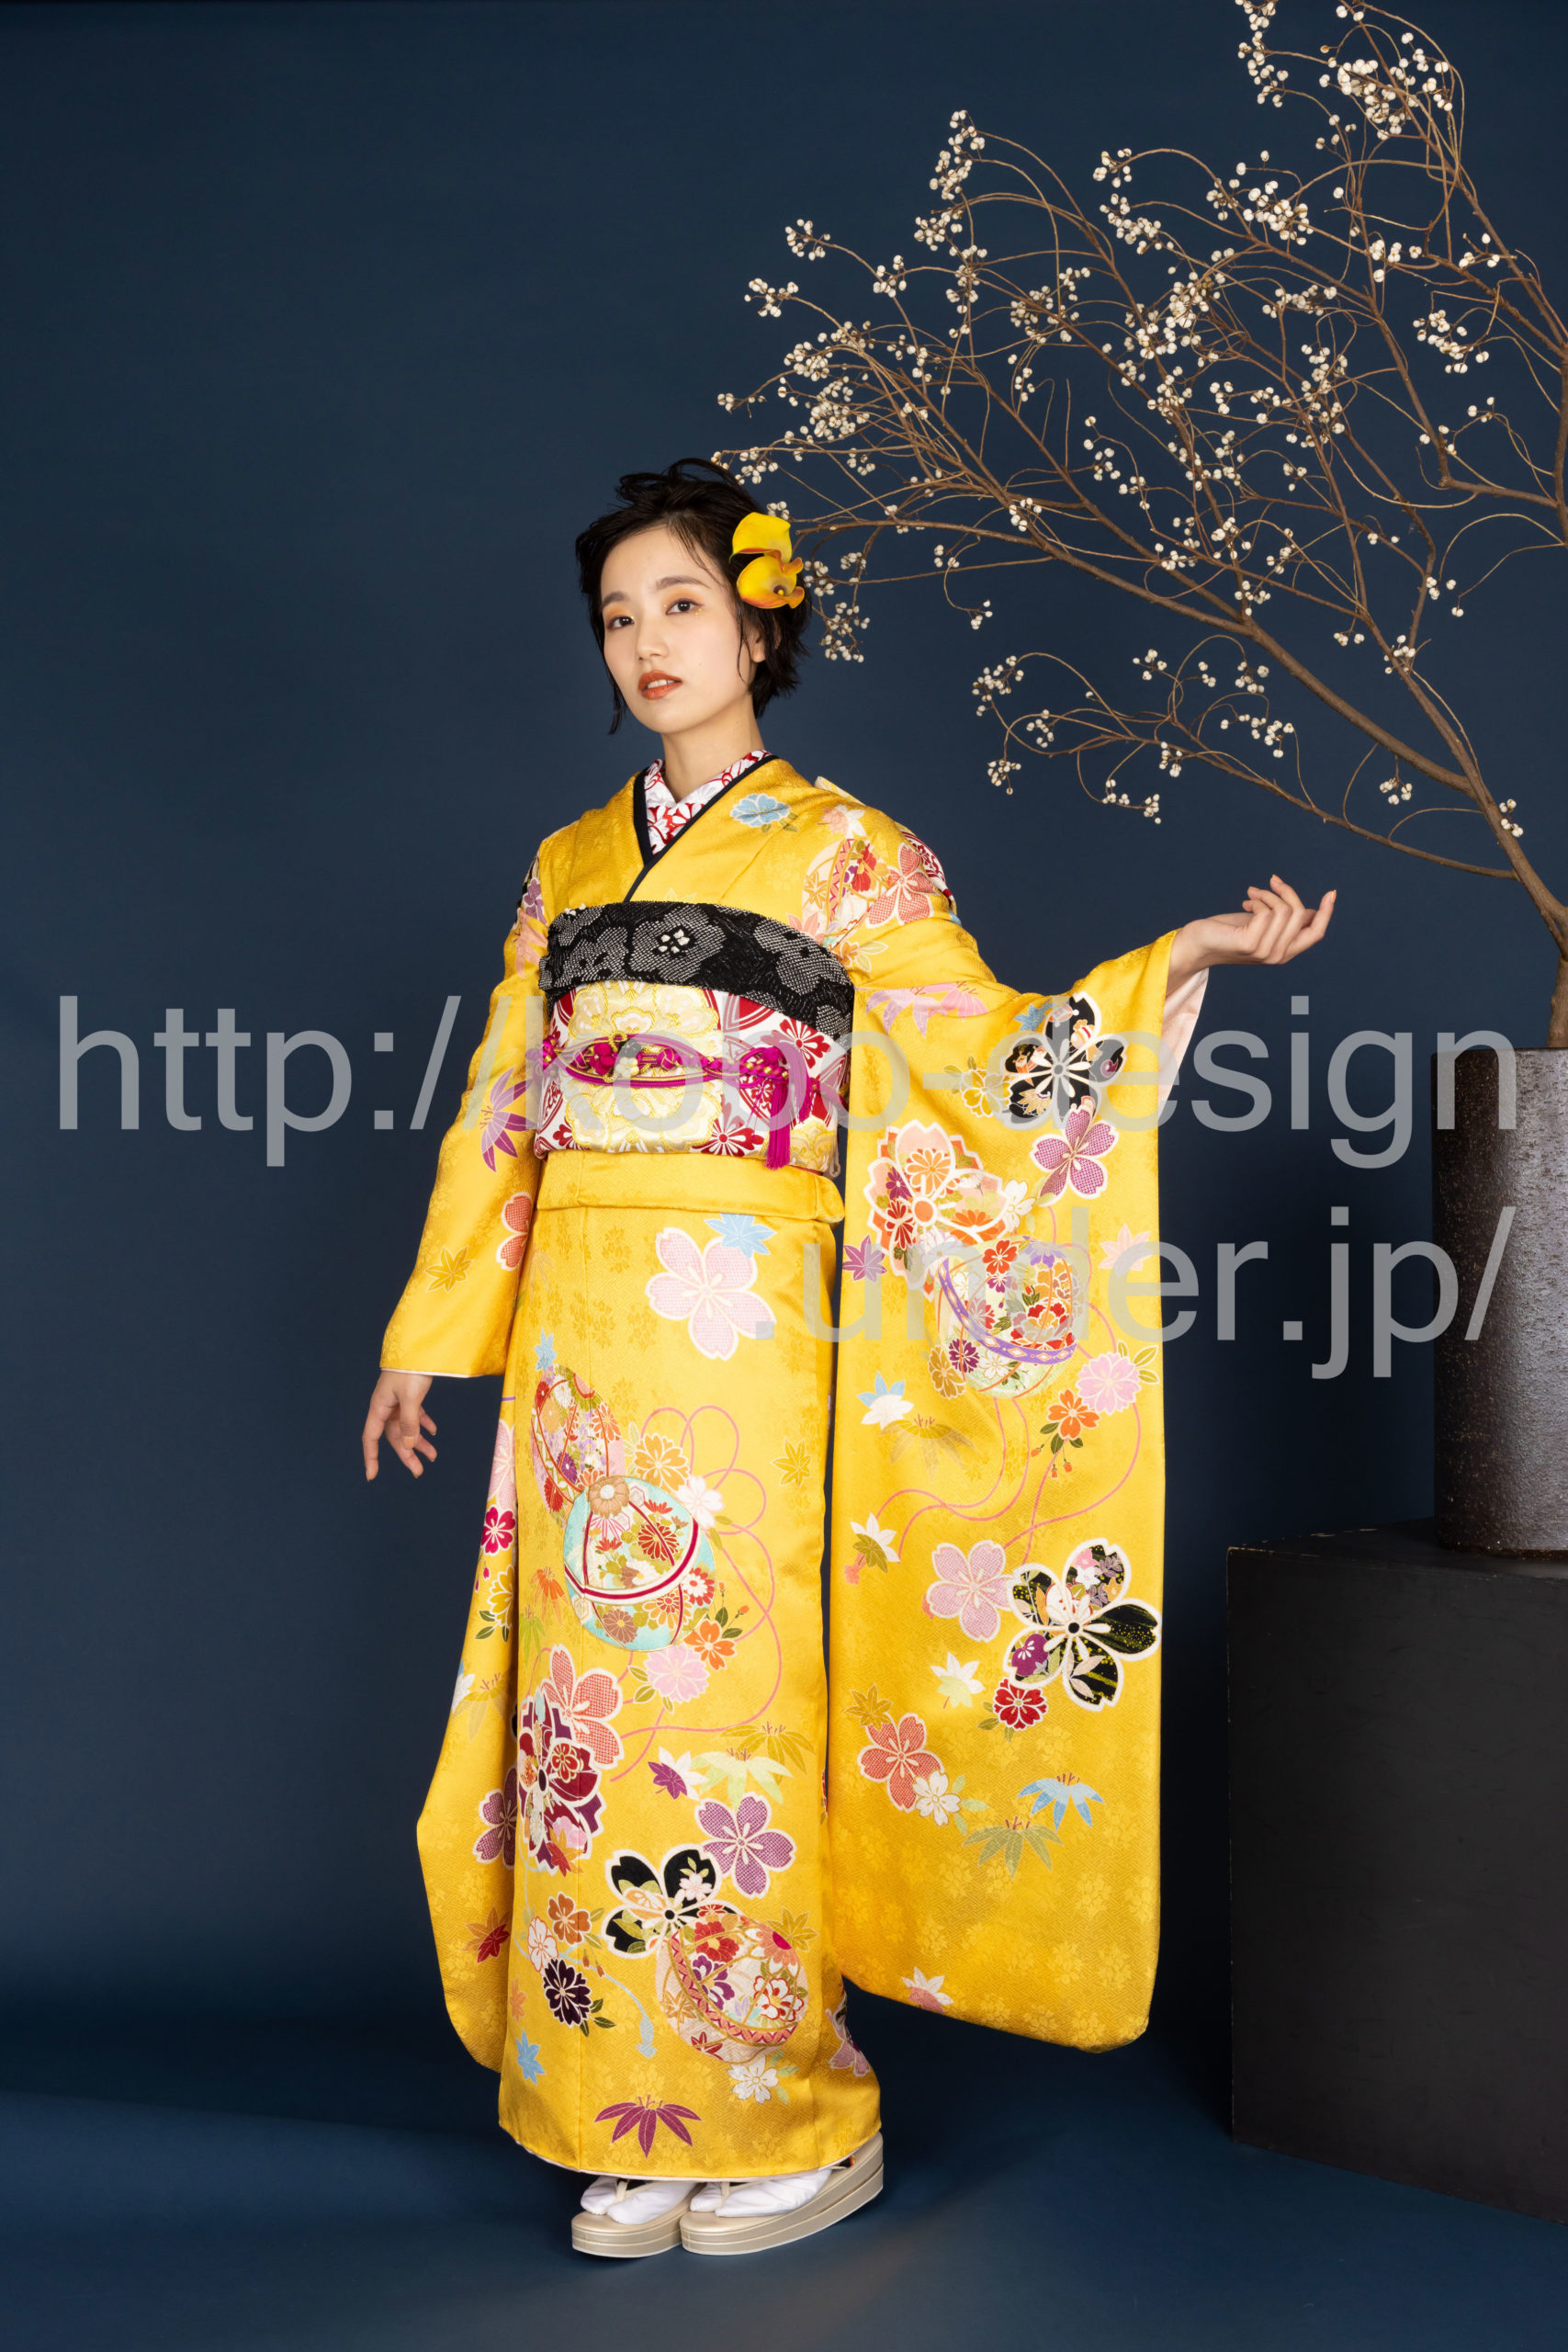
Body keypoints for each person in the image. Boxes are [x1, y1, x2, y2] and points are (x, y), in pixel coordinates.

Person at [361, 458, 1334, 2259]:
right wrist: (429, 1339)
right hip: (581, 1339)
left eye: (678, 603)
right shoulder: (565, 866)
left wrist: (1173, 961)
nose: (647, 642)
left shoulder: (849, 855)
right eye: (617, 617)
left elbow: (974, 1059)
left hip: (749, 1330)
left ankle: (792, 2110)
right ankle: (630, 2102)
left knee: (730, 1703)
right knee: (588, 1712)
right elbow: (504, 1100)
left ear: (756, 627)